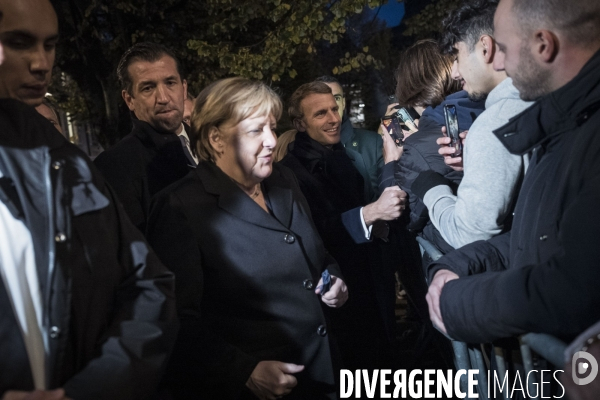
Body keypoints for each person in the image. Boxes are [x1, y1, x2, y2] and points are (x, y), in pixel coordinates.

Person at [0, 0, 177, 398]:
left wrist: (93, 387)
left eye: (49, 45)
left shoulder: (69, 166)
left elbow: (149, 283)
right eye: (19, 42)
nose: (41, 63)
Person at [147, 77, 348, 400]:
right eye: (256, 130)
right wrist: (243, 371)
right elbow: (174, 320)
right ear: (216, 138)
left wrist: (333, 278)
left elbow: (315, 254)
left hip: (324, 374)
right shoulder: (180, 207)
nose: (271, 141)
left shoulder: (283, 179)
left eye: (272, 127)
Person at [425, 0, 600, 344]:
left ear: (543, 45)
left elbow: (574, 287)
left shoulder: (587, 130)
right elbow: (538, 236)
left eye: (503, 49)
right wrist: (461, 266)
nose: (499, 63)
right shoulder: (562, 123)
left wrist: (457, 303)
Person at [280, 81, 406, 371]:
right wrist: (370, 213)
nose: (333, 119)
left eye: (334, 109)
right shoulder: (292, 173)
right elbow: (315, 234)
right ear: (300, 123)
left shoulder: (337, 154)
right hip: (338, 295)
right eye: (321, 113)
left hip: (366, 278)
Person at [401, 0, 532, 250]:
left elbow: (468, 234)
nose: (454, 73)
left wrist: (432, 188)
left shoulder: (492, 125)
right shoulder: (538, 102)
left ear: (485, 47)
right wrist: (475, 156)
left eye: (458, 55)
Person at [380, 38, 485, 254]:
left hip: (455, 259)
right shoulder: (490, 111)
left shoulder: (418, 146)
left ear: (409, 85)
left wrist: (391, 162)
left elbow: (402, 219)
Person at [94, 42, 195, 233]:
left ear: (183, 88)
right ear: (129, 99)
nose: (163, 98)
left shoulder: (212, 146)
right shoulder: (114, 166)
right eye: (148, 88)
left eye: (170, 83)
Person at [315, 76, 383, 202]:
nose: (331, 104)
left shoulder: (372, 143)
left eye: (336, 98)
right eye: (321, 99)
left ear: (344, 102)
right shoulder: (301, 150)